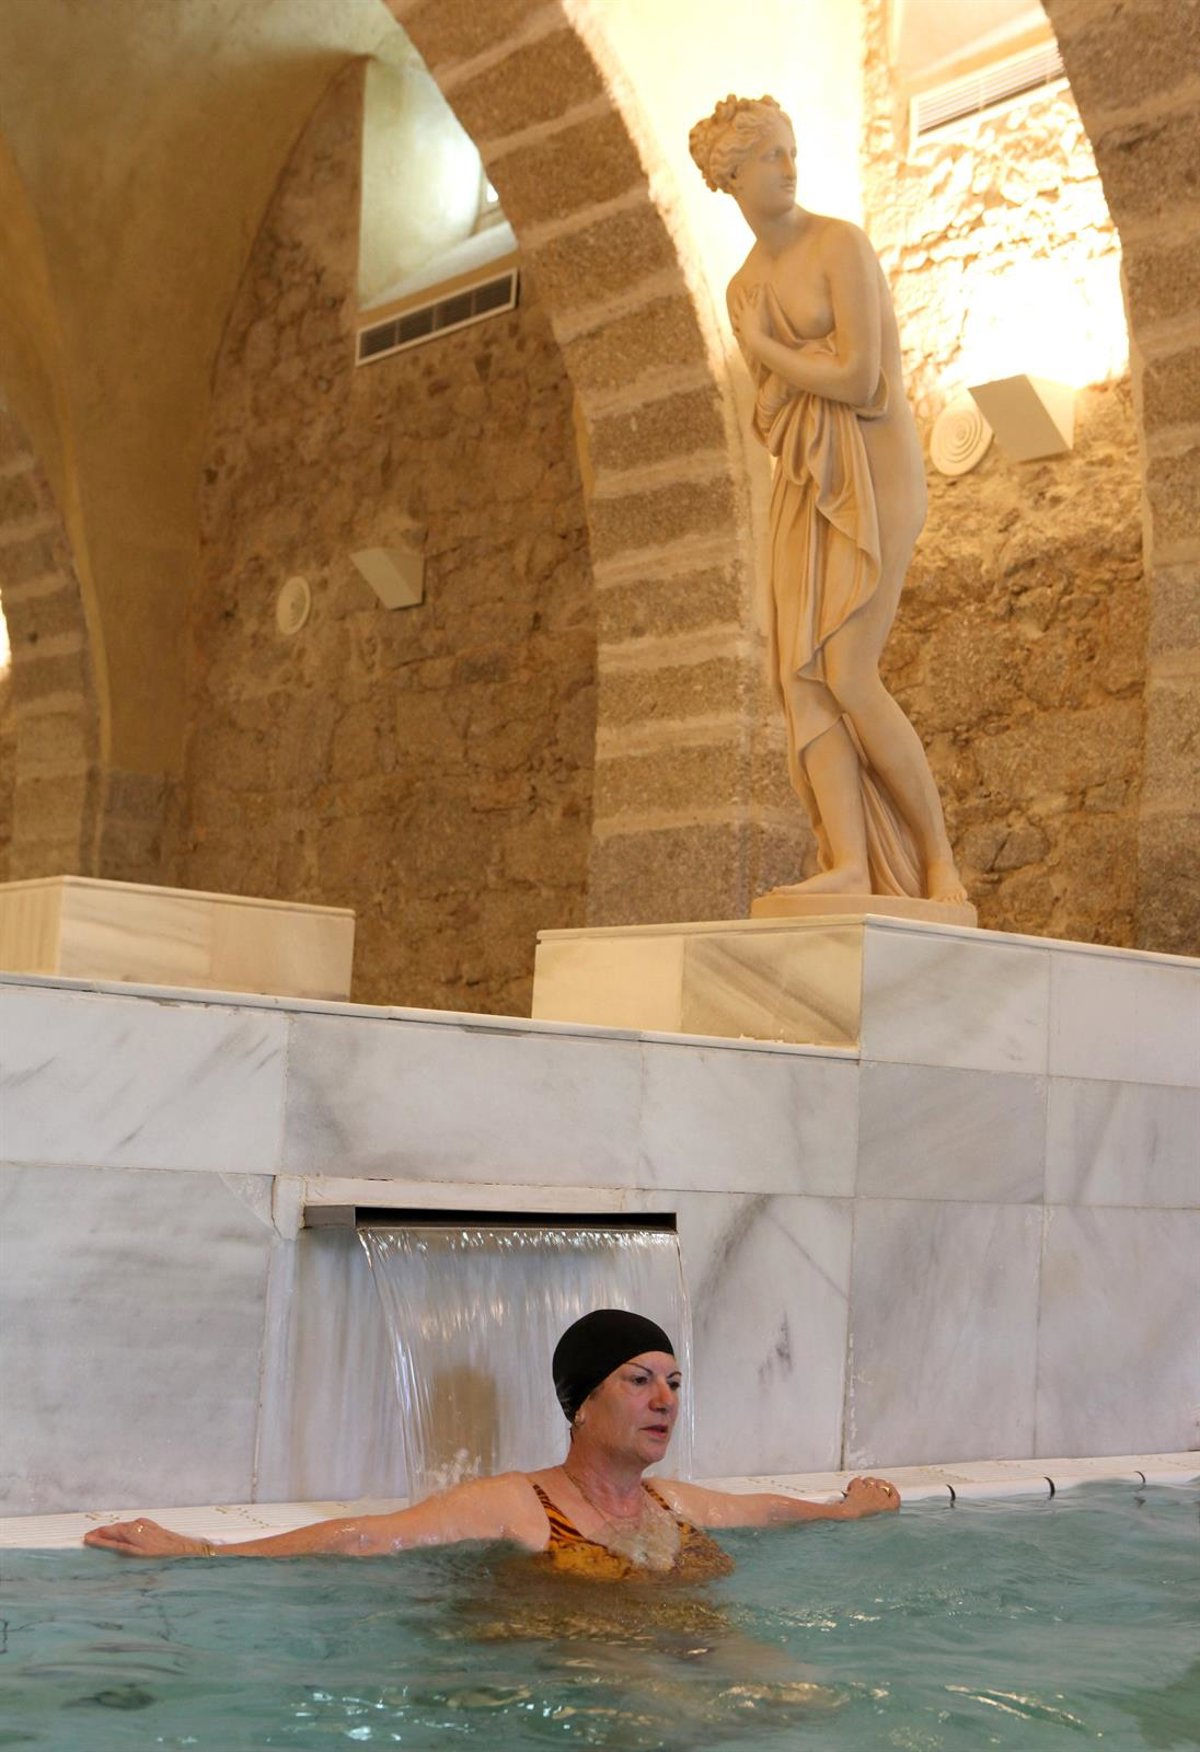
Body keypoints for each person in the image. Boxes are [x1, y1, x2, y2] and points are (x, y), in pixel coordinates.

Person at [689, 94, 967, 906]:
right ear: (732, 177)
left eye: (791, 151)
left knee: (849, 668)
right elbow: (771, 412)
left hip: (876, 474)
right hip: (807, 481)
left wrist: (767, 349)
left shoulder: (839, 243)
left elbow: (858, 377)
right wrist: (774, 380)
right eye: (770, 156)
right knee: (801, 677)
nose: (789, 168)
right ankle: (848, 863)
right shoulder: (743, 286)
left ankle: (939, 863)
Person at [84, 1309, 898, 1573]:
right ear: (582, 1404)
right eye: (639, 1380)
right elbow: (366, 1536)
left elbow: (768, 1511)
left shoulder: (672, 1503)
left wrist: (846, 1509)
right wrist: (202, 1551)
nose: (665, 1401)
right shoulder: (520, 1504)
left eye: (675, 1383)